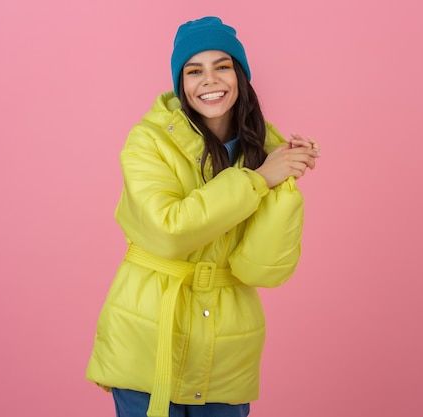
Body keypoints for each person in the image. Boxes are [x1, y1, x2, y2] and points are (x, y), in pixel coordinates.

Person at [86, 16, 320, 417]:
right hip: (148, 332)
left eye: (222, 66)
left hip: (227, 344)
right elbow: (168, 230)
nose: (209, 81)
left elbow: (262, 270)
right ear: (181, 83)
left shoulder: (266, 148)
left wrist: (284, 186)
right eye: (194, 71)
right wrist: (259, 180)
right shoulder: (148, 140)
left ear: (240, 75)